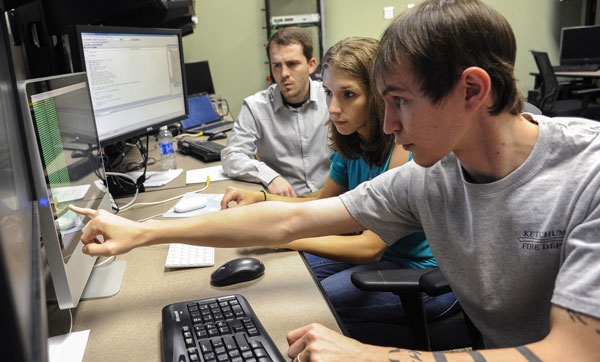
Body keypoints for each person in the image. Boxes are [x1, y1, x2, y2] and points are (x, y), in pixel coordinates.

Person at [71, 0, 600, 360]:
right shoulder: (431, 174)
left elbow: (572, 353)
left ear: (471, 89)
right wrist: (143, 232)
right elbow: (296, 216)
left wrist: (373, 355)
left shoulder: (588, 173)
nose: (389, 125)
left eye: (400, 102)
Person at [220, 36, 456, 335]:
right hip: (382, 258)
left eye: (347, 95)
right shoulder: (354, 139)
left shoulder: (405, 148)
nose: (332, 107)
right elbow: (325, 205)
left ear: (377, 95)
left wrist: (283, 238)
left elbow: (369, 247)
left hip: (421, 276)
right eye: (330, 93)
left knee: (300, 299)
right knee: (280, 275)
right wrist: (263, 199)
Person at [221, 26, 331, 197]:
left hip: (331, 194)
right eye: (277, 66)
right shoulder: (255, 106)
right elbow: (232, 156)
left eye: (292, 64)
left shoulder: (330, 98)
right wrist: (269, 176)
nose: (284, 74)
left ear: (311, 65)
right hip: (285, 201)